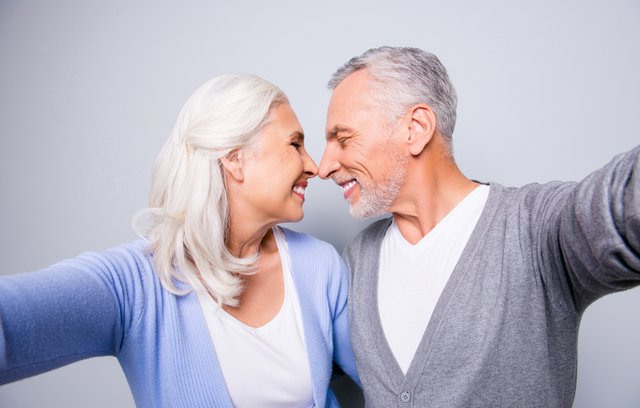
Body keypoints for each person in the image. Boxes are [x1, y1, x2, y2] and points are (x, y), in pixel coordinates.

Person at [0, 74, 358, 407]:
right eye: (295, 143)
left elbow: (389, 374)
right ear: (235, 160)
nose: (313, 165)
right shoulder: (137, 284)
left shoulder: (318, 264)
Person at [318, 46, 640, 407]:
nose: (324, 165)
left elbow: (622, 206)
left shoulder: (535, 231)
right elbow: (295, 359)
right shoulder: (358, 260)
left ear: (416, 128)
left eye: (343, 139)